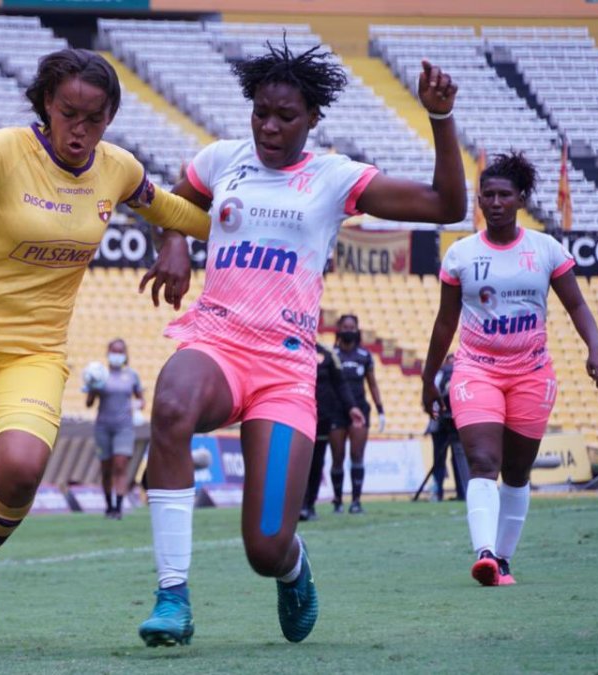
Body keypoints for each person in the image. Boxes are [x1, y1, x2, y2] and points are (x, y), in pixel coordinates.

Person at [135, 42, 465, 647]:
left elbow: (447, 206)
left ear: (312, 119)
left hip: (284, 369)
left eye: (284, 116)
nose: (268, 125)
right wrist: (175, 241)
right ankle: (172, 596)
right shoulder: (221, 161)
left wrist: (440, 119)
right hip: (218, 342)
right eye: (260, 112)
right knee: (172, 402)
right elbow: (173, 202)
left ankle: (292, 567)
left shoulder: (334, 177)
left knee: (264, 546)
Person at [0, 47, 210, 655]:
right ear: (45, 107)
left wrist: (200, 236)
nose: (80, 130)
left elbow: (176, 210)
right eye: (68, 113)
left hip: (35, 350)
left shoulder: (117, 169)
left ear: (110, 117)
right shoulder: (6, 149)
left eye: (95, 117)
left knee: (21, 471)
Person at [420, 152, 598, 587]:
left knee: (517, 472)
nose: (495, 202)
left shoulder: (546, 250)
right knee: (483, 459)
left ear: (521, 198)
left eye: (504, 194)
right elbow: (445, 321)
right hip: (476, 370)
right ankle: (485, 554)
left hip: (531, 372)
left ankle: (503, 560)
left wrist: (595, 349)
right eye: (487, 194)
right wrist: (429, 377)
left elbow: (577, 305)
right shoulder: (461, 255)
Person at [328, 314, 385, 514]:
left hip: (360, 410)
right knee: (337, 456)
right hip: (336, 411)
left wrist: (380, 409)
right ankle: (337, 501)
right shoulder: (331, 354)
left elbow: (372, 383)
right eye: (345, 326)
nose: (349, 330)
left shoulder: (364, 355)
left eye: (352, 326)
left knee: (356, 454)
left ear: (357, 329)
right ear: (339, 329)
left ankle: (356, 501)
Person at [301, 343, 364, 521]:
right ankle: (297, 504)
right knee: (297, 460)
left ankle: (309, 505)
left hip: (322, 417)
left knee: (316, 462)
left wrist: (351, 407)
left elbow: (340, 383)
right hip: (296, 414)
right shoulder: (289, 347)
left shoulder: (327, 354)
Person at [84, 338, 145, 520]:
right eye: (113, 351)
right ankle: (108, 505)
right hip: (103, 427)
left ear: (125, 354)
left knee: (120, 465)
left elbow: (141, 400)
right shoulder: (100, 374)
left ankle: (118, 507)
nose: (116, 354)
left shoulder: (132, 376)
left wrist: (136, 405)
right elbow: (89, 403)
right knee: (106, 468)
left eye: (119, 351)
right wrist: (93, 388)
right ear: (108, 353)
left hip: (124, 428)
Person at [428, 354, 469, 501]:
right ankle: (456, 492)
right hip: (447, 422)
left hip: (445, 421)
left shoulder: (440, 374)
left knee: (450, 458)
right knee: (449, 458)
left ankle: (442, 493)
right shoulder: (460, 375)